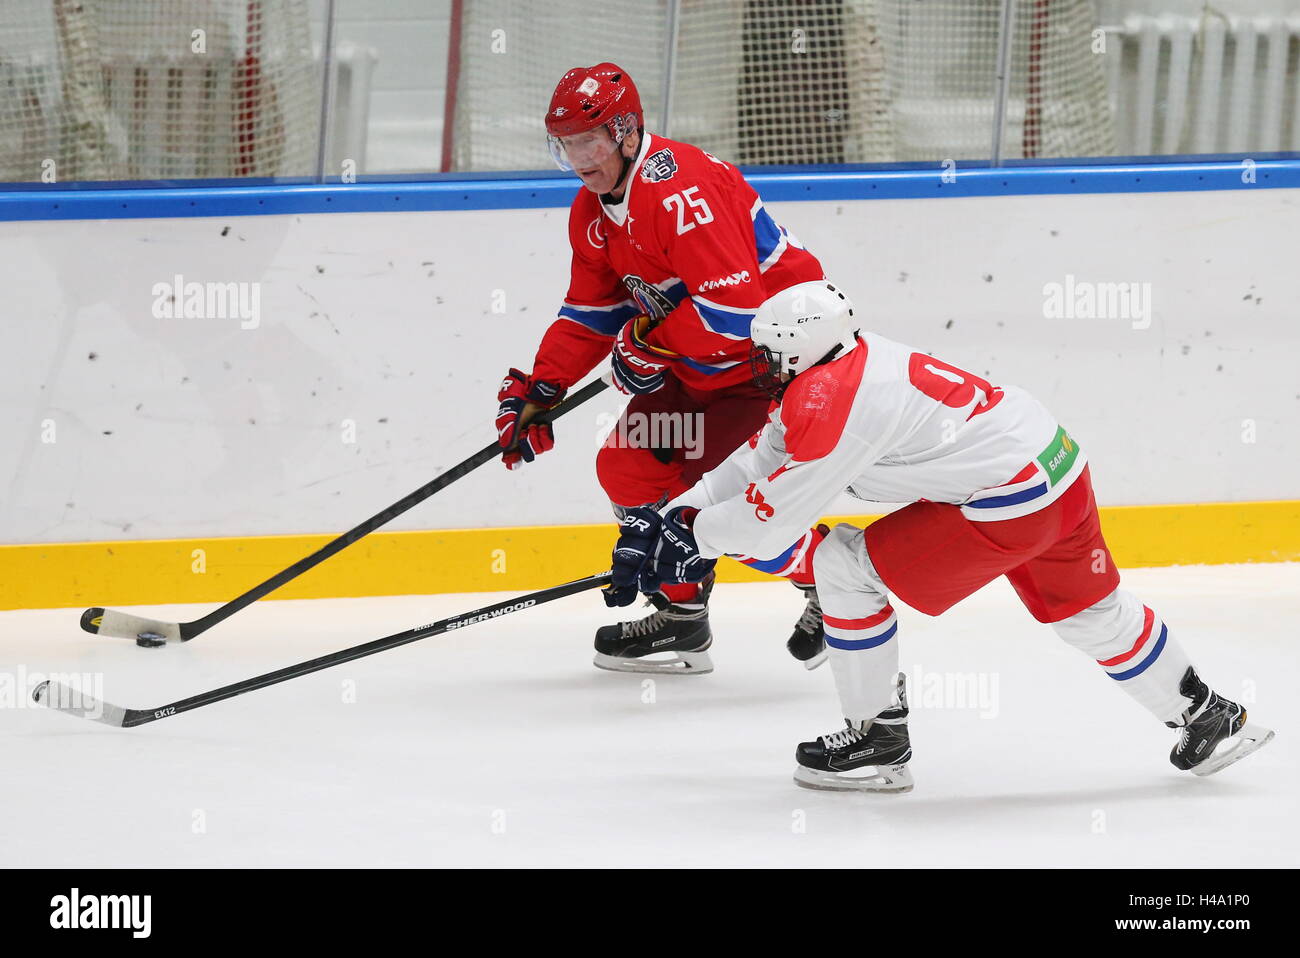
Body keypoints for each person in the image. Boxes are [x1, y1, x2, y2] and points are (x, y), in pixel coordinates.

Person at [605, 280, 1274, 791]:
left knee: (842, 568)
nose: (758, 362)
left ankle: (877, 741)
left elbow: (769, 516)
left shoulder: (830, 400)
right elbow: (756, 464)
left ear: (796, 349)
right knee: (1092, 613)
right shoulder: (840, 366)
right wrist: (671, 516)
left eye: (767, 351)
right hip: (1058, 465)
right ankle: (1206, 717)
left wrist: (690, 537)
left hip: (1008, 499)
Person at [496, 62, 829, 675]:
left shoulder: (681, 192)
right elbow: (590, 313)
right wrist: (543, 388)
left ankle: (834, 582)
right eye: (565, 144)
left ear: (626, 132)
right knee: (629, 466)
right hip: (697, 370)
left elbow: (738, 314)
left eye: (588, 141)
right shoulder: (593, 213)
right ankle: (682, 617)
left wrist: (647, 343)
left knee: (719, 509)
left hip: (774, 373)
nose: (578, 158)